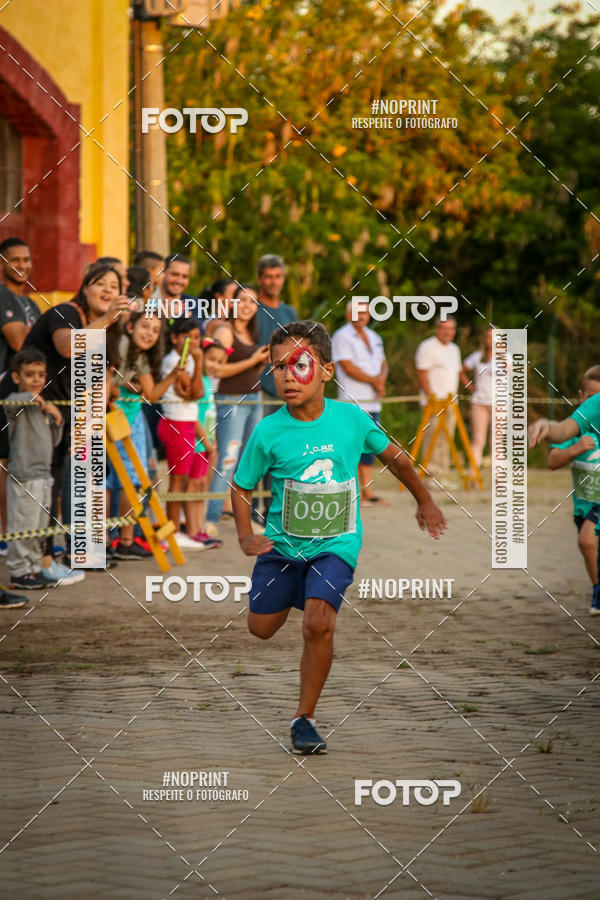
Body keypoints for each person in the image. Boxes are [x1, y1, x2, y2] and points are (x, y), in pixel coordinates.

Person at [231, 321, 446, 754]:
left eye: (299, 364)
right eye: (278, 368)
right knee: (261, 629)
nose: (288, 375)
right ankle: (298, 590)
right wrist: (244, 536)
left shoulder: (351, 418)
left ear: (327, 371)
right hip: (281, 549)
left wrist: (425, 500)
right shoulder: (269, 431)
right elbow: (240, 486)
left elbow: (398, 460)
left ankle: (303, 719)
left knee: (318, 622)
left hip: (336, 545)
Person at [0, 263, 130, 567]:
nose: (109, 290)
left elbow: (102, 375)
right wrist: (109, 317)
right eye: (101, 283)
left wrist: (95, 412)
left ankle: (63, 554)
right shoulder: (66, 312)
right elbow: (70, 347)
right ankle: (34, 558)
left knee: (60, 479)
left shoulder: (106, 326)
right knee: (38, 480)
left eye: (115, 285)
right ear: (85, 287)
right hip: (26, 405)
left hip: (62, 410)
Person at [5, 348, 84, 589]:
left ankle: (33, 568)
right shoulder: (17, 404)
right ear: (17, 377)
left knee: (38, 527)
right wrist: (33, 399)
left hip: (43, 477)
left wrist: (57, 420)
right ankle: (20, 572)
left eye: (41, 374)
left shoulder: (42, 407)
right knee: (22, 526)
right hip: (24, 477)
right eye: (30, 375)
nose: (37, 380)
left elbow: (54, 441)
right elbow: (11, 401)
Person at [107, 311, 182, 560]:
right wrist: (117, 388)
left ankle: (125, 540)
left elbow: (150, 394)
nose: (149, 333)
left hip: (130, 418)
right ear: (130, 326)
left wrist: (172, 376)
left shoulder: (140, 356)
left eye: (154, 330)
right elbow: (106, 374)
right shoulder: (119, 344)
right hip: (107, 416)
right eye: (145, 326)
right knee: (107, 479)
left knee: (135, 479)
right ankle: (105, 540)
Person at [529, 373, 600, 615]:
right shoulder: (595, 406)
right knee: (587, 542)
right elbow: (561, 432)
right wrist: (544, 427)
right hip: (586, 502)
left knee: (586, 540)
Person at [204, 285, 269, 538]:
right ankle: (210, 519)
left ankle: (246, 520)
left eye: (253, 301)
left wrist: (259, 364)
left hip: (255, 399)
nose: (248, 305)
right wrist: (252, 362)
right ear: (232, 302)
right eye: (243, 300)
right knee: (227, 462)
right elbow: (215, 371)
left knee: (247, 462)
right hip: (231, 402)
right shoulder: (225, 330)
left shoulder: (251, 333)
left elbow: (245, 370)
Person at [0, 237, 41, 551]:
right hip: (5, 391)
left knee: (16, 461)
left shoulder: (30, 302)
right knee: (3, 463)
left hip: (24, 397)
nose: (24, 265)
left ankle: (14, 535)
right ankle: (4, 534)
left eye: (27, 259)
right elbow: (21, 344)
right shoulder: (2, 297)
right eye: (16, 259)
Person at [331, 299, 388, 506]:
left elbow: (383, 362)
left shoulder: (374, 336)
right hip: (352, 401)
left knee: (370, 447)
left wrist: (380, 381)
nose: (361, 316)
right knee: (350, 447)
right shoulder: (341, 336)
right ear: (348, 315)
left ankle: (368, 491)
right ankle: (349, 491)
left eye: (365, 312)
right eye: (357, 312)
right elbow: (347, 366)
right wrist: (375, 381)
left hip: (373, 401)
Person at [157, 317, 206, 549]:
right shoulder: (174, 361)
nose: (193, 342)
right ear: (175, 338)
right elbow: (195, 393)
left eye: (197, 337)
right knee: (177, 480)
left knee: (184, 479)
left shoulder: (187, 360)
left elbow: (198, 392)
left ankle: (177, 529)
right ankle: (173, 532)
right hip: (175, 424)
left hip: (186, 424)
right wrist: (200, 362)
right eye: (188, 337)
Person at [255, 255, 297, 522]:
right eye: (268, 276)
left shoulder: (289, 312)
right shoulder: (252, 308)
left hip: (285, 389)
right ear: (260, 279)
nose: (273, 281)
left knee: (282, 450)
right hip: (257, 389)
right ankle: (254, 507)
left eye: (277, 276)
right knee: (258, 449)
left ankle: (275, 508)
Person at [186, 337, 230, 548]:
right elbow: (193, 415)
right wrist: (206, 441)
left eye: (220, 362)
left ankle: (199, 529)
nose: (215, 365)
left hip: (207, 445)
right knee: (194, 486)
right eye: (211, 359)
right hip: (197, 443)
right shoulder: (198, 380)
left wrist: (212, 443)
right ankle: (192, 530)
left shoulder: (209, 382)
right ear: (200, 357)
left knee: (202, 485)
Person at [415, 316, 462, 483]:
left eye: (450, 329)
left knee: (447, 438)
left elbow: (456, 373)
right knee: (433, 437)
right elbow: (422, 372)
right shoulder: (428, 347)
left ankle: (442, 474)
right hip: (433, 402)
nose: (447, 332)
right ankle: (432, 475)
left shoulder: (455, 349)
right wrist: (430, 396)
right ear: (437, 329)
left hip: (450, 402)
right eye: (444, 328)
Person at [460, 327, 493, 469]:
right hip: (479, 402)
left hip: (500, 404)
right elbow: (461, 371)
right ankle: (474, 475)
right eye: (488, 337)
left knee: (497, 442)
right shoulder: (477, 357)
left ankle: (500, 478)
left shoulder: (508, 358)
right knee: (479, 440)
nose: (491, 341)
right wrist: (470, 387)